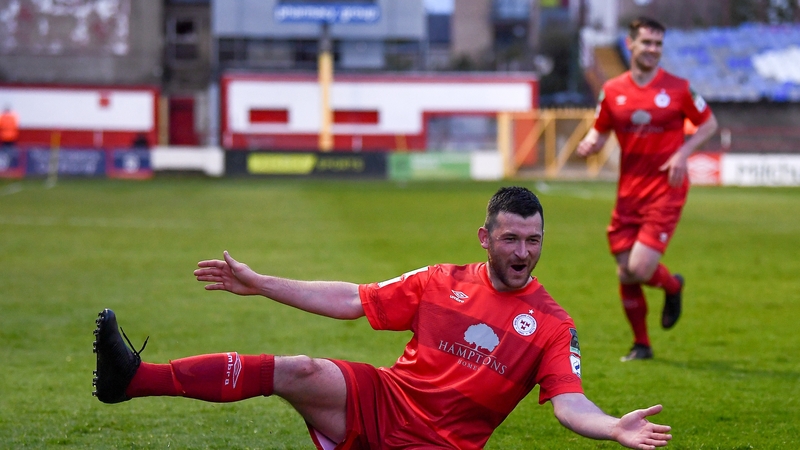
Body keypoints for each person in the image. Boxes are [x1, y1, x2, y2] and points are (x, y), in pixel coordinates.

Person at [93, 186, 672, 449]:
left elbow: (570, 402)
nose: (523, 252)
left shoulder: (552, 325)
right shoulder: (439, 280)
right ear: (485, 238)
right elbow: (353, 299)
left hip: (443, 443)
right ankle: (133, 380)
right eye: (511, 238)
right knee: (298, 369)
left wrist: (613, 426)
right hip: (386, 400)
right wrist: (260, 283)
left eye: (534, 241)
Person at [576, 17, 719, 362]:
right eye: (647, 43)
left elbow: (709, 123)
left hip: (665, 189)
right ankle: (642, 344)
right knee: (624, 270)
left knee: (639, 268)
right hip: (628, 192)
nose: (653, 50)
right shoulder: (611, 90)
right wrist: (590, 142)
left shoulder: (678, 88)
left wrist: (683, 153)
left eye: (658, 44)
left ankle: (673, 287)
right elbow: (600, 128)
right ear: (630, 45)